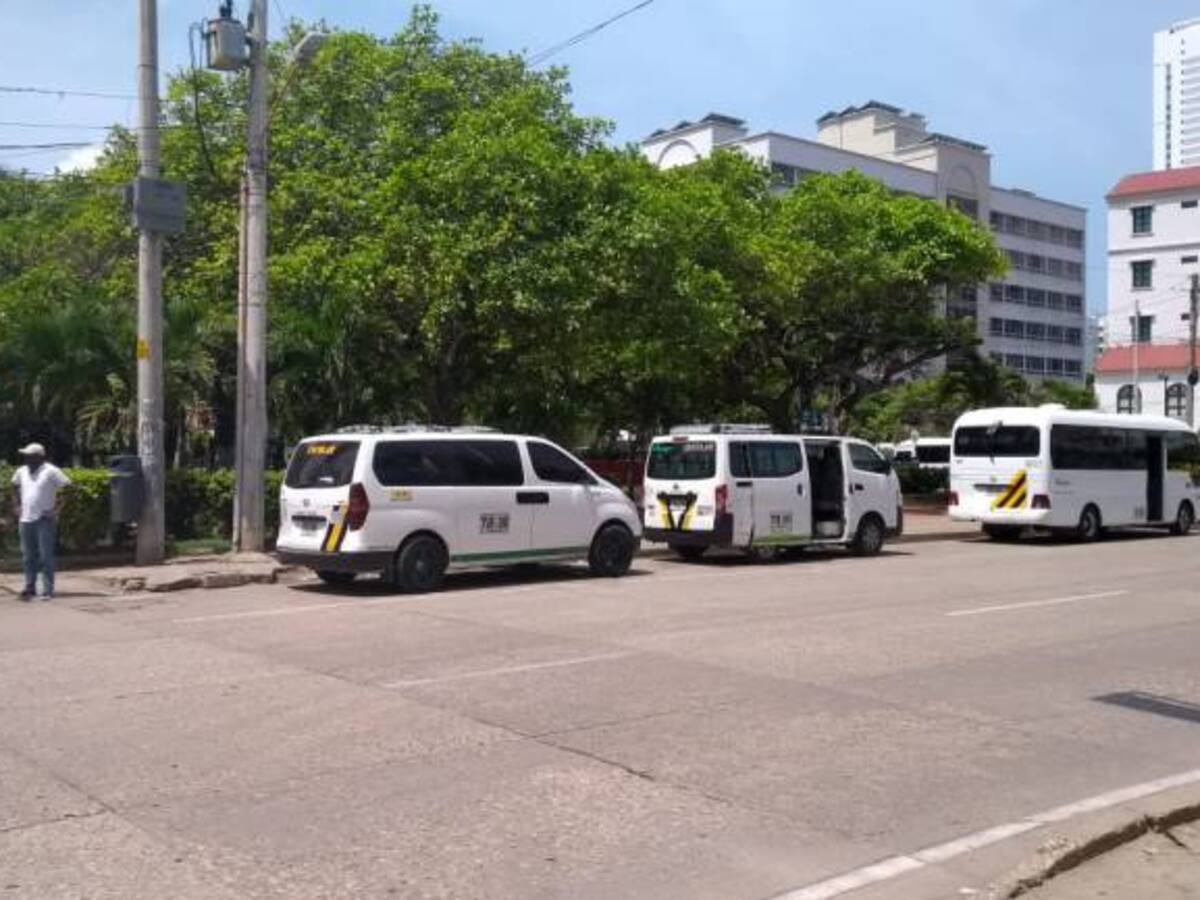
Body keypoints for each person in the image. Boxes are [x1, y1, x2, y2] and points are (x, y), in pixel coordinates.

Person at [10, 443, 70, 601]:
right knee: (28, 556)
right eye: (26, 456)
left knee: (45, 556)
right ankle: (30, 587)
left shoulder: (51, 470)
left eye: (30, 456)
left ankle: (47, 590)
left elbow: (67, 487)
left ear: (39, 457)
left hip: (44, 519)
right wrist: (16, 505)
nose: (27, 458)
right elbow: (14, 486)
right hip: (26, 519)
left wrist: (56, 509)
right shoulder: (21, 471)